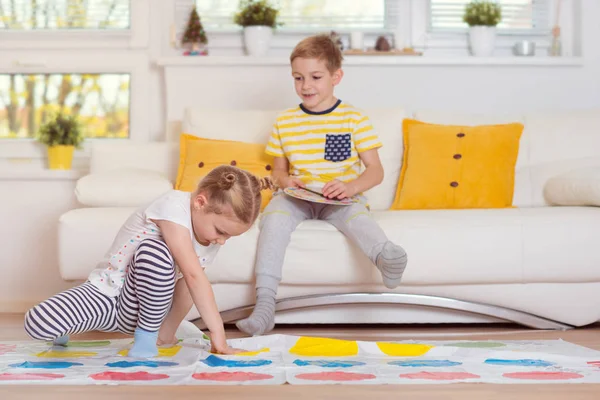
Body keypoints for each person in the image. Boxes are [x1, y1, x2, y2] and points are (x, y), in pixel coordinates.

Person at [236, 34, 408, 336]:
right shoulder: (285, 121)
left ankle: (386, 256)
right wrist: (286, 181)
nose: (306, 86)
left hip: (340, 198)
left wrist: (351, 187)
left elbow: (376, 171)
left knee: (357, 217)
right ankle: (264, 305)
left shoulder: (354, 118)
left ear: (336, 76)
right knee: (274, 218)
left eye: (315, 77)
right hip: (297, 197)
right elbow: (278, 170)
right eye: (298, 78)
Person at [25, 165, 272, 357]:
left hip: (149, 312)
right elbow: (195, 275)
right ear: (200, 203)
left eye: (229, 236)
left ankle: (146, 336)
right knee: (38, 324)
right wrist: (219, 335)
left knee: (161, 258)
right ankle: (71, 323)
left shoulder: (207, 237)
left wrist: (166, 333)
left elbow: (189, 286)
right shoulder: (173, 206)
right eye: (221, 231)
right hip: (107, 295)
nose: (222, 241)